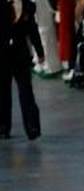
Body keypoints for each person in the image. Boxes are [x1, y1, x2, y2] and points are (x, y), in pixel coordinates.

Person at [0, 0, 44, 140]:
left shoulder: (28, 6)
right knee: (2, 92)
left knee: (26, 91)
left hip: (21, 55)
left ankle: (32, 127)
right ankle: (3, 127)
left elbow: (32, 29)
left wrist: (40, 51)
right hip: (2, 56)